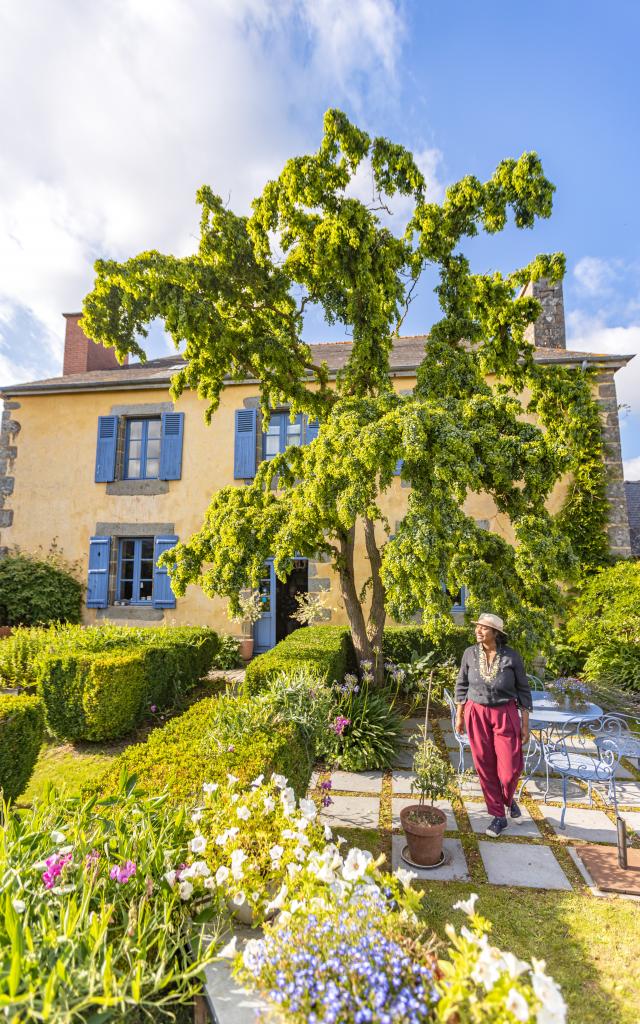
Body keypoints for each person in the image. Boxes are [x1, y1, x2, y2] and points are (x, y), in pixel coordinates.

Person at [455, 613, 532, 837]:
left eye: (484, 628)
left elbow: (524, 690)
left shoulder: (512, 657)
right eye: (477, 627)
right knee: (484, 765)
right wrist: (460, 715)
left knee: (510, 770)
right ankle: (499, 815)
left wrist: (525, 724)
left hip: (505, 713)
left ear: (496, 634)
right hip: (476, 713)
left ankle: (507, 798)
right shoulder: (469, 653)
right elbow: (461, 684)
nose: (478, 631)